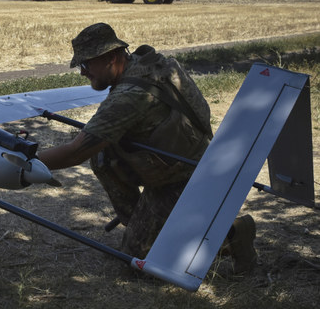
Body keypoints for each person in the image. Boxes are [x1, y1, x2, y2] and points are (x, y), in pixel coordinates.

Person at [38, 22, 257, 274]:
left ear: (111, 57)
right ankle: (146, 225)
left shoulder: (130, 95)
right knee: (103, 155)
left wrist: (26, 160)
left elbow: (77, 150)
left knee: (138, 263)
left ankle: (233, 235)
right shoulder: (149, 63)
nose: (82, 73)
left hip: (185, 178)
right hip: (189, 159)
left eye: (86, 64)